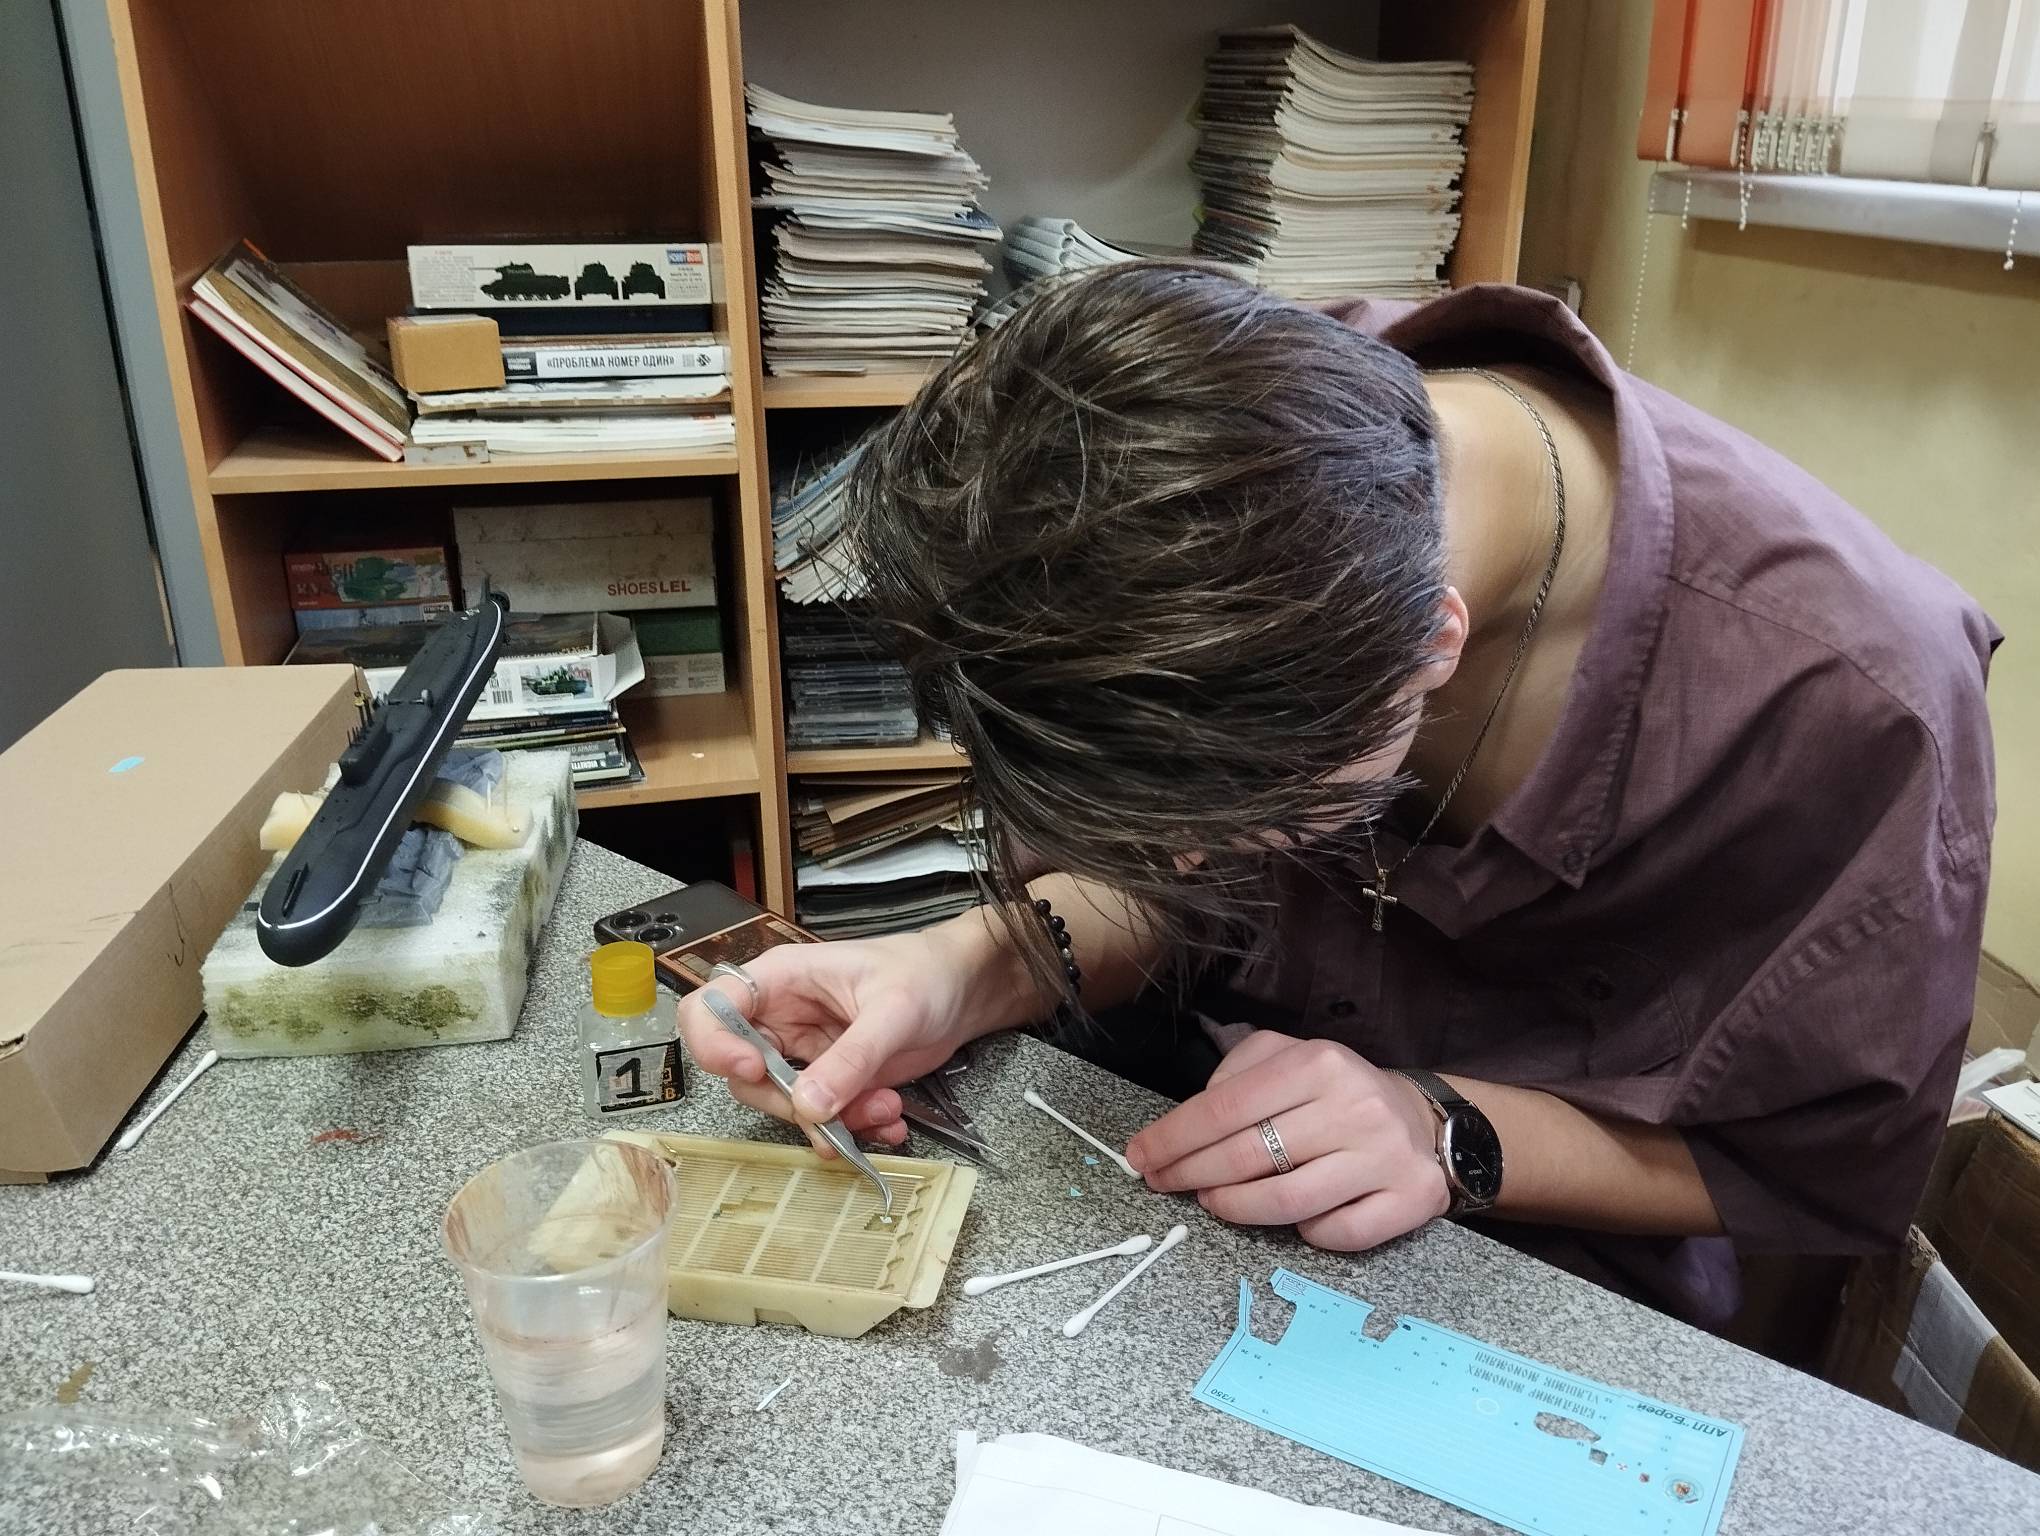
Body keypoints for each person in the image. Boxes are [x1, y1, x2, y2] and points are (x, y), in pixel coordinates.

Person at [681, 264, 1998, 1328]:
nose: (1177, 871)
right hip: (1200, 1149)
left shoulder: (1861, 704)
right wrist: (955, 970)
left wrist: (1445, 1130)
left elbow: (1816, 1166)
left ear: (1435, 643)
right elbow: (1174, 897)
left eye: (1240, 821)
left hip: (1532, 1282)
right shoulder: (1212, 452)